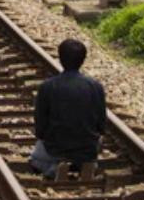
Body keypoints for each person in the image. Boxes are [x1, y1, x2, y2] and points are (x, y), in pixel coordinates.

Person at [30, 39, 106, 180]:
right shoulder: (95, 86)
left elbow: (40, 125)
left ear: (60, 58)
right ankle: (85, 165)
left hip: (55, 148)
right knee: (88, 151)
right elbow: (101, 125)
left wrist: (43, 136)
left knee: (36, 160)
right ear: (83, 60)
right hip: (87, 148)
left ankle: (55, 168)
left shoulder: (47, 87)